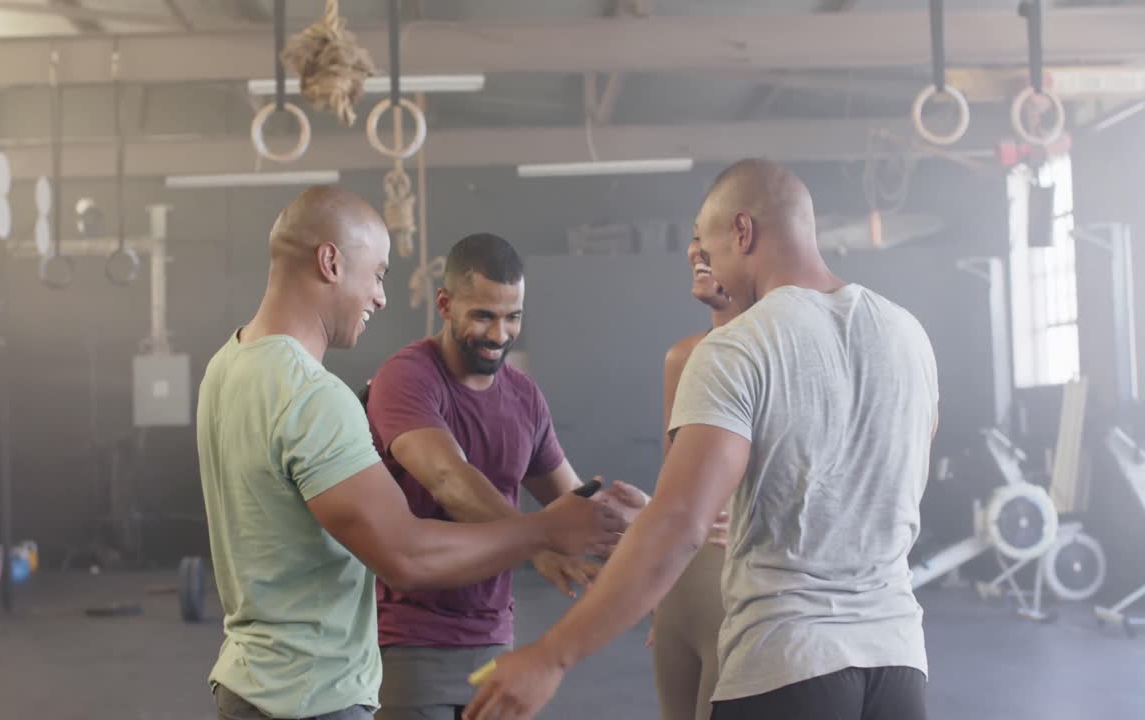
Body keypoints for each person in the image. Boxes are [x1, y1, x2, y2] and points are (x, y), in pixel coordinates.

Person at [465, 158, 940, 720]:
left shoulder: (741, 345)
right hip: (899, 664)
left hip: (787, 664)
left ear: (743, 231)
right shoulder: (908, 334)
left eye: (707, 244)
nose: (702, 259)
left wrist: (552, 655)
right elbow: (863, 493)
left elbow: (680, 525)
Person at [195, 187, 626, 720]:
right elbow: (406, 555)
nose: (380, 297)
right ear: (331, 262)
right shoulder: (316, 394)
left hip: (250, 686)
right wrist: (542, 534)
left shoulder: (227, 365)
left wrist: (662, 525)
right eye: (376, 275)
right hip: (313, 697)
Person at [364, 232, 644, 720]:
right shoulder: (405, 379)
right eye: (484, 316)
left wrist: (647, 530)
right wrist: (541, 542)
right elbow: (451, 481)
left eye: (513, 317)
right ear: (445, 304)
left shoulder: (524, 397)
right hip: (408, 642)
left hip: (495, 641)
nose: (499, 334)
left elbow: (573, 501)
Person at [650, 238, 738, 720]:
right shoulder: (683, 358)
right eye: (694, 236)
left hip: (745, 590)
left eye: (711, 237)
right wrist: (654, 586)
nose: (694, 251)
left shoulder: (784, 355)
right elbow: (672, 488)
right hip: (682, 591)